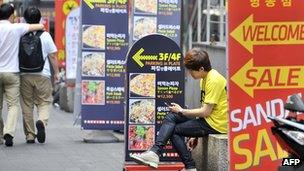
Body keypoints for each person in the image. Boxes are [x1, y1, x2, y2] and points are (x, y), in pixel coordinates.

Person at [130, 48, 228, 171]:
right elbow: (205, 108)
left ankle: (189, 166)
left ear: (201, 69)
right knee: (172, 116)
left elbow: (206, 111)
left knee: (174, 130)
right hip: (210, 120)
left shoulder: (214, 80)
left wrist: (181, 110)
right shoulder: (205, 78)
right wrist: (195, 135)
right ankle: (155, 152)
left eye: (191, 70)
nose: (190, 73)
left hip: (217, 124)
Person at [0, 3, 44, 147]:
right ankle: (9, 131)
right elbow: (39, 27)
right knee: (13, 106)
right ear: (12, 15)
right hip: (12, 73)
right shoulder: (15, 28)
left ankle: (1, 134)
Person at [19, 7, 59, 144]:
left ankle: (30, 135)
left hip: (24, 74)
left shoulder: (20, 33)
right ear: (40, 18)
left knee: (26, 105)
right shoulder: (46, 35)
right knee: (44, 102)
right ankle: (41, 120)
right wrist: (57, 73)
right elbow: (53, 56)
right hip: (43, 74)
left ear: (25, 19)